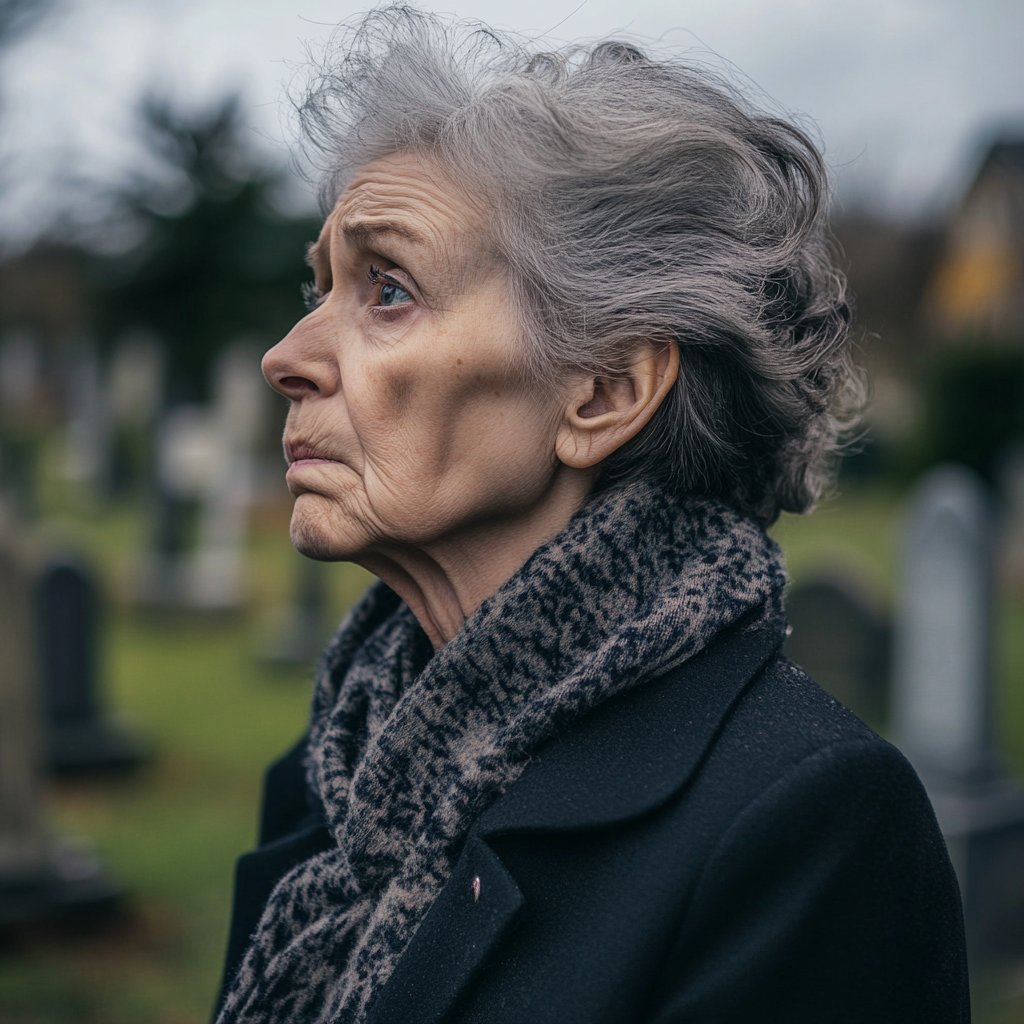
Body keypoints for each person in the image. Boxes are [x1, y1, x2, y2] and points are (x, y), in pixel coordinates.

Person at [213, 7, 970, 1022]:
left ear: (605, 394)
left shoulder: (806, 826)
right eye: (321, 288)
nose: (286, 356)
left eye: (387, 289)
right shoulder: (339, 764)